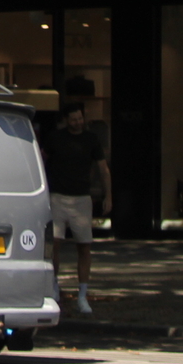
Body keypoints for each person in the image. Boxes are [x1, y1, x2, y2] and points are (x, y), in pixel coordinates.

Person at [43, 101, 110, 315]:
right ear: (66, 120)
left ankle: (82, 294)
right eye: (73, 119)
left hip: (81, 198)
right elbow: (42, 162)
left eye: (80, 118)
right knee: (54, 244)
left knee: (84, 245)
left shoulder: (91, 139)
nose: (78, 122)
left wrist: (108, 195)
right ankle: (53, 286)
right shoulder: (55, 138)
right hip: (57, 197)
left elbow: (103, 168)